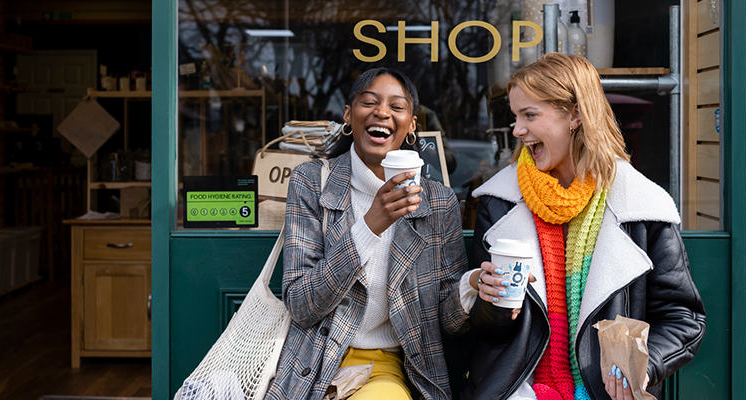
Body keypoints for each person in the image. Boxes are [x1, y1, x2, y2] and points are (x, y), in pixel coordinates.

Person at [459, 53, 706, 400]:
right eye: (516, 117)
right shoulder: (499, 201)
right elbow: (488, 331)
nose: (517, 130)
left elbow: (683, 319)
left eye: (530, 115)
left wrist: (642, 367)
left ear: (575, 115)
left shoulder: (641, 206)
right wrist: (492, 303)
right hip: (516, 390)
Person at [264, 68, 476, 400]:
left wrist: (473, 284)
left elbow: (447, 322)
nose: (381, 113)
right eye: (369, 102)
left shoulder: (438, 202)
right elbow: (302, 305)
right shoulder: (311, 182)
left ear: (412, 126)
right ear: (349, 115)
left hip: (387, 368)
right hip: (313, 361)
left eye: (397, 106)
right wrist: (370, 225)